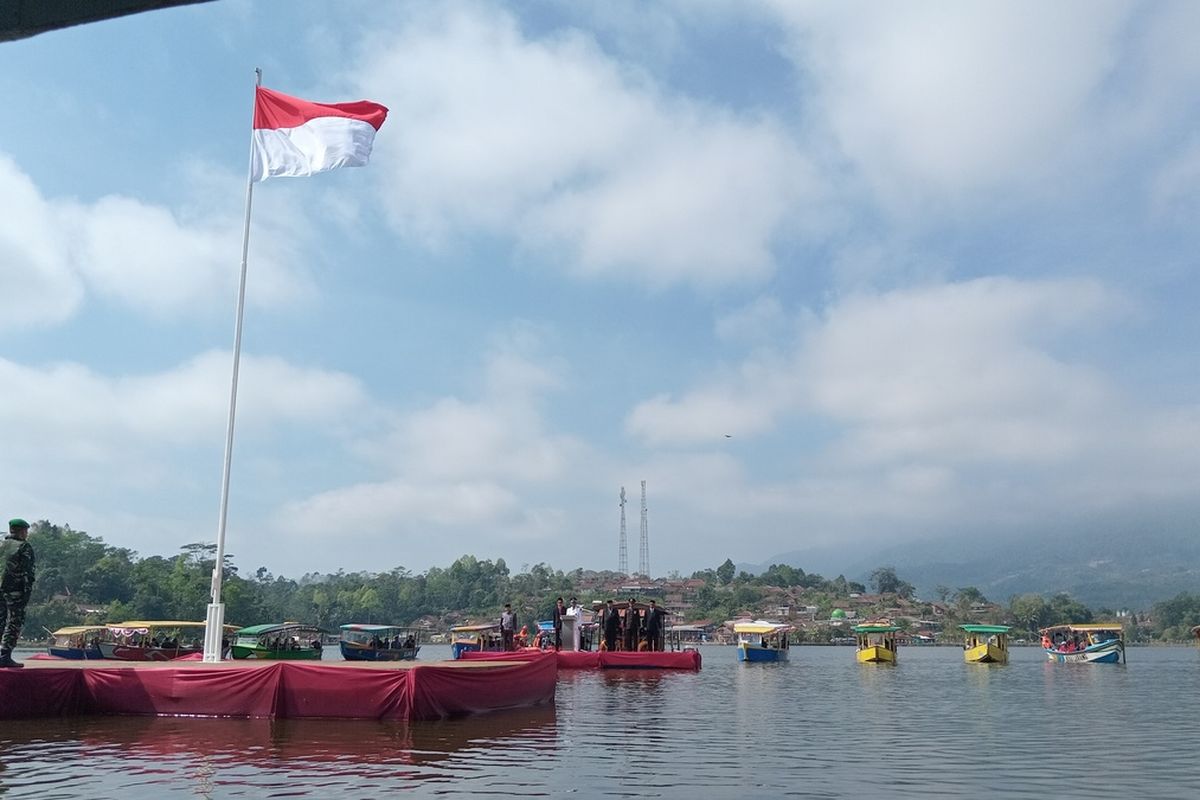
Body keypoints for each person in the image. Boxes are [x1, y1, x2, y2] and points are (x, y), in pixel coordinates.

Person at [0, 518, 36, 668]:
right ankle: (5, 655)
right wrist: (26, 592)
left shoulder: (1, 545)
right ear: (21, 531)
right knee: (14, 621)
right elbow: (28, 573)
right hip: (14, 590)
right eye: (25, 531)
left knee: (1, 620)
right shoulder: (23, 547)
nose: (26, 534)